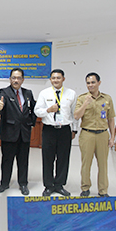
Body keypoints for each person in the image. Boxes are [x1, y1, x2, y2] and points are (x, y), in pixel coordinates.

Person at [34, 69, 77, 197]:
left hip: (64, 130)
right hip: (49, 130)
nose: (56, 80)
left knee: (63, 158)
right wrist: (48, 110)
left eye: (58, 78)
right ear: (50, 79)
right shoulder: (44, 93)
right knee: (48, 158)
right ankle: (48, 185)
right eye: (53, 78)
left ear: (63, 79)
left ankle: (59, 185)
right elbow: (37, 111)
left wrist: (74, 129)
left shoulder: (71, 93)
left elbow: (74, 114)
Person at [73, 72, 116, 197]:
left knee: (103, 164)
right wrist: (85, 104)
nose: (90, 85)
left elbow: (111, 119)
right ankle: (85, 188)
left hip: (103, 135)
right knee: (86, 163)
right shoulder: (82, 98)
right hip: (87, 134)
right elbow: (76, 116)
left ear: (99, 83)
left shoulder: (107, 98)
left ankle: (103, 190)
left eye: (93, 82)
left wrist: (112, 137)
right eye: (88, 83)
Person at [0, 68, 36, 195]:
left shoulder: (28, 93)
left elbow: (34, 109)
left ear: (23, 80)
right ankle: (4, 183)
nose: (16, 80)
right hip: (9, 133)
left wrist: (32, 123)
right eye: (13, 78)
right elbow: (0, 105)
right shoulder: (4, 92)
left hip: (24, 133)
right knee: (7, 160)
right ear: (10, 79)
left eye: (19, 78)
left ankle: (23, 184)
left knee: (23, 161)